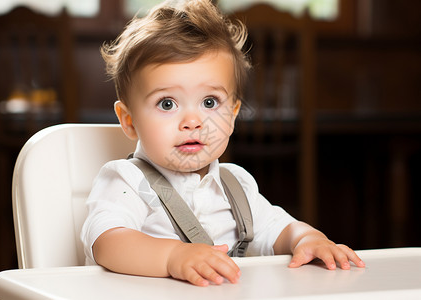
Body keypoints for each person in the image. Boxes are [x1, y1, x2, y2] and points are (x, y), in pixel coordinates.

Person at [81, 0, 365, 287]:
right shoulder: (127, 181)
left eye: (209, 102)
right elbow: (107, 241)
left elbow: (279, 230)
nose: (192, 121)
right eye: (167, 103)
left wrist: (309, 239)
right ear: (129, 120)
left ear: (232, 115)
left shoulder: (235, 186)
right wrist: (173, 257)